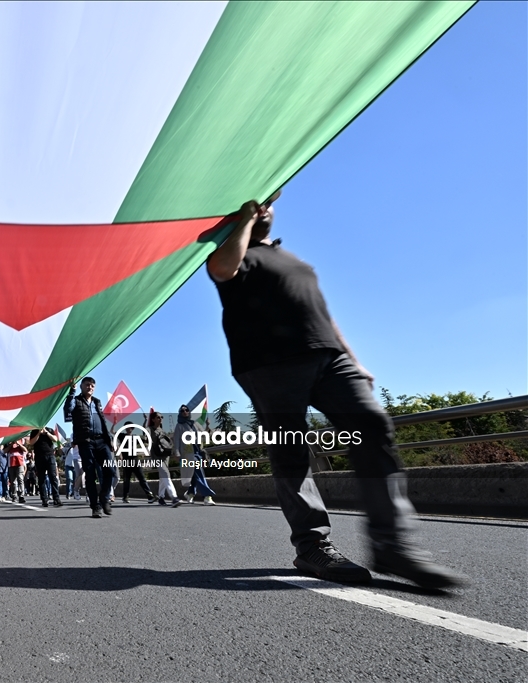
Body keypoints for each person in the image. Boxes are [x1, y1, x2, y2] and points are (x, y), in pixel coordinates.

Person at [205, 196, 461, 588]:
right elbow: (223, 270)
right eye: (258, 205)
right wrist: (243, 219)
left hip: (329, 357)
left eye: (270, 203)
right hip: (268, 364)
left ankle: (393, 544)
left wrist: (354, 359)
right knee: (292, 453)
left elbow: (325, 315)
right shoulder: (233, 253)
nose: (265, 209)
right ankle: (312, 546)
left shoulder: (293, 260)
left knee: (372, 426)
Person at [64, 377, 116, 518]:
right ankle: (95, 506)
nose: (90, 387)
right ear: (81, 386)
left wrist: (109, 439)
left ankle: (104, 499)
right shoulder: (76, 401)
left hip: (102, 441)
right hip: (85, 442)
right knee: (90, 474)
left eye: (92, 385)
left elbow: (103, 422)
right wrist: (71, 392)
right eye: (87, 385)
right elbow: (67, 409)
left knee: (110, 471)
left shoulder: (97, 402)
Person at [172, 406, 216, 505]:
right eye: (182, 411)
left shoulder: (195, 423)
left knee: (194, 474)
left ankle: (190, 493)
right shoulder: (179, 425)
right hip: (187, 453)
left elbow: (204, 436)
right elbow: (176, 441)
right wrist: (177, 454)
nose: (185, 412)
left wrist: (207, 426)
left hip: (198, 451)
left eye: (187, 410)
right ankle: (207, 496)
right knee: (198, 472)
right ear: (179, 413)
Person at [116, 420, 156, 504]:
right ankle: (125, 496)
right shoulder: (122, 436)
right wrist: (114, 423)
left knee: (142, 478)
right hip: (126, 461)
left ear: (132, 428)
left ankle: (149, 495)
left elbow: (145, 438)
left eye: (130, 427)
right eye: (126, 427)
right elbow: (112, 431)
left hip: (135, 460)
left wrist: (144, 422)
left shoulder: (135, 437)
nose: (128, 428)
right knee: (127, 480)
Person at [149, 412, 181, 507]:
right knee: (166, 474)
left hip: (165, 457)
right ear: (153, 419)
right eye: (158, 417)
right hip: (157, 457)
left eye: (161, 417)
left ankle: (161, 497)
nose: (160, 419)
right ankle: (174, 497)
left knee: (163, 476)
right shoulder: (150, 429)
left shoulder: (162, 431)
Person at [28, 428, 63, 508]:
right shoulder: (34, 431)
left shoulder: (49, 430)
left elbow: (55, 439)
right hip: (39, 457)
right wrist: (39, 433)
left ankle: (56, 499)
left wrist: (46, 432)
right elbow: (31, 442)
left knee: (53, 477)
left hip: (50, 456)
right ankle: (44, 499)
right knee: (41, 479)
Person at [7, 439, 28, 504]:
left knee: (20, 479)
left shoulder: (21, 440)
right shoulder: (9, 440)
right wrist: (11, 444)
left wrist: (18, 444)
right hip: (11, 463)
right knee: (13, 481)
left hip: (20, 463)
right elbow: (4, 451)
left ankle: (21, 496)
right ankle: (14, 495)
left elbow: (25, 450)